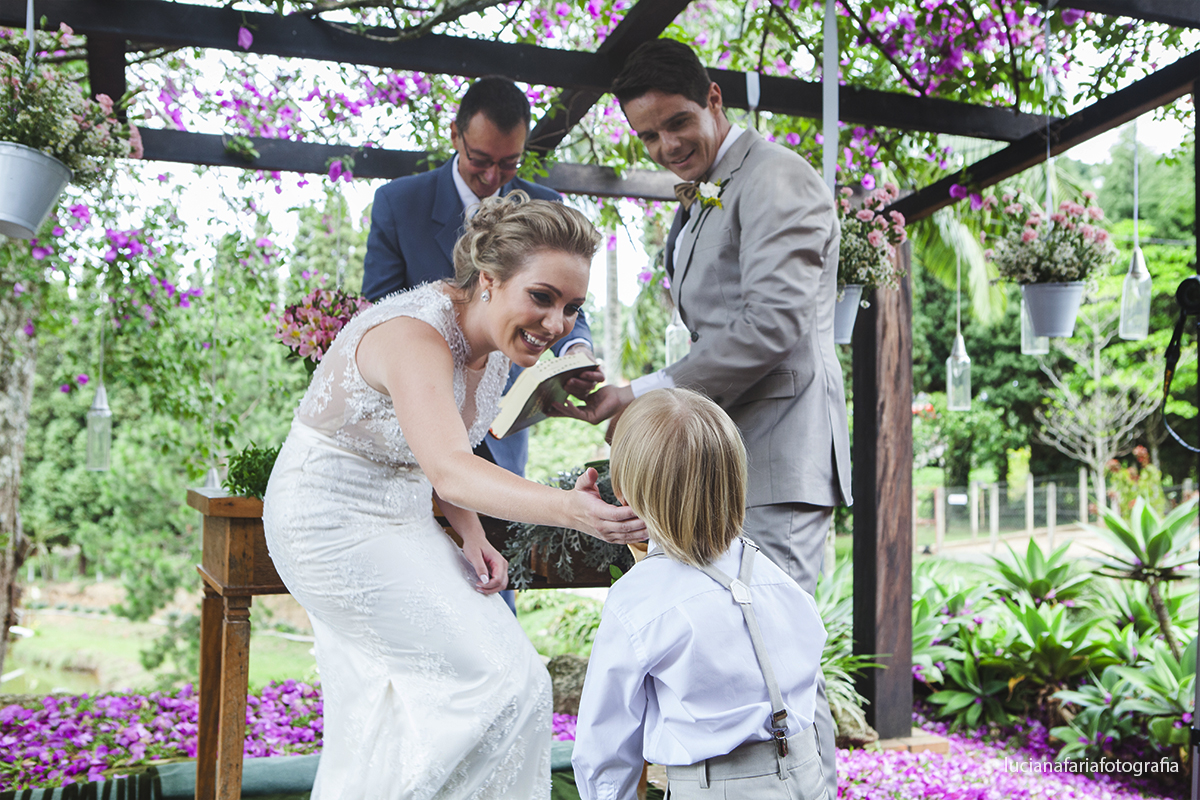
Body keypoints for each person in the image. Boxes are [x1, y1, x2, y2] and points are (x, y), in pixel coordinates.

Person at [263, 193, 645, 799]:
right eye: (542, 298)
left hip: (404, 511)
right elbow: (449, 466)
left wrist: (469, 533)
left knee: (516, 684)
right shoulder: (417, 338)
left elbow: (439, 453)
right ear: (489, 280)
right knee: (495, 686)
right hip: (327, 520)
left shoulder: (490, 347)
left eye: (571, 307)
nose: (556, 325)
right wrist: (573, 510)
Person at [568, 38, 850, 799]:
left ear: (715, 99)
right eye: (648, 137)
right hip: (723, 460)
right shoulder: (703, 192)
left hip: (777, 456)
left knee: (781, 677)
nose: (666, 147)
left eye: (678, 123)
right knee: (729, 670)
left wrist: (651, 392)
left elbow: (773, 327)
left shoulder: (779, 180)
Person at [571, 389, 828, 800]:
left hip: (714, 788)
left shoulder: (638, 599)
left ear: (623, 494)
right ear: (735, 481)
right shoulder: (778, 580)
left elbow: (605, 747)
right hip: (805, 777)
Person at [363, 74, 601, 479]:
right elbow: (379, 312)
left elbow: (567, 302)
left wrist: (575, 351)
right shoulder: (399, 203)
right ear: (456, 135)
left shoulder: (547, 204)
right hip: (415, 426)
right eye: (482, 159)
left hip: (502, 430)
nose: (494, 178)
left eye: (510, 163)